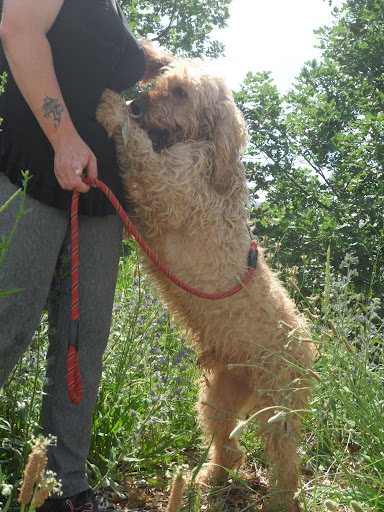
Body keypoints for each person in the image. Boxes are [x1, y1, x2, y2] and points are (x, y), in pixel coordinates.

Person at [0, 0, 146, 510]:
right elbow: (18, 30)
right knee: (7, 319)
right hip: (36, 165)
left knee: (84, 342)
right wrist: (63, 139)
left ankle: (64, 490)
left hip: (100, 185)